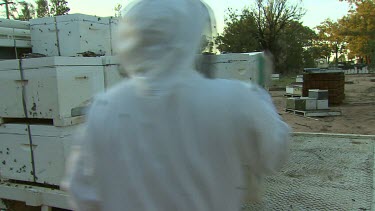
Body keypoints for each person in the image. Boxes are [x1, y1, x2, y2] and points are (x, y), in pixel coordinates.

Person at [62, 0, 290, 210]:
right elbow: (274, 154)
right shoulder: (236, 100)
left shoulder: (103, 108)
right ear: (190, 35)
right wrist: (260, 97)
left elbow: (81, 193)